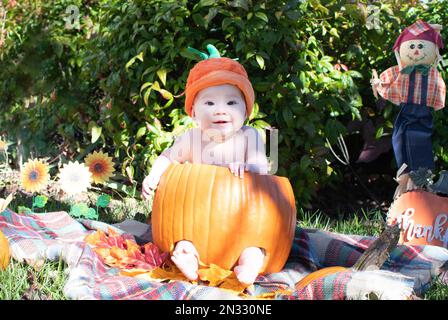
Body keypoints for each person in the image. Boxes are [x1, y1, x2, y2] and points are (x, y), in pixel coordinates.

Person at [142, 45, 269, 285]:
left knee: (255, 246)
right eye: (209, 103)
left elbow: (262, 167)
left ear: (246, 110)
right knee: (183, 238)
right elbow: (168, 157)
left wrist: (248, 165)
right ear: (193, 113)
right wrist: (154, 175)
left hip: (242, 221)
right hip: (199, 220)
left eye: (232, 102)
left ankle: (249, 265)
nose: (220, 110)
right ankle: (189, 256)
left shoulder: (249, 137)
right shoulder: (192, 139)